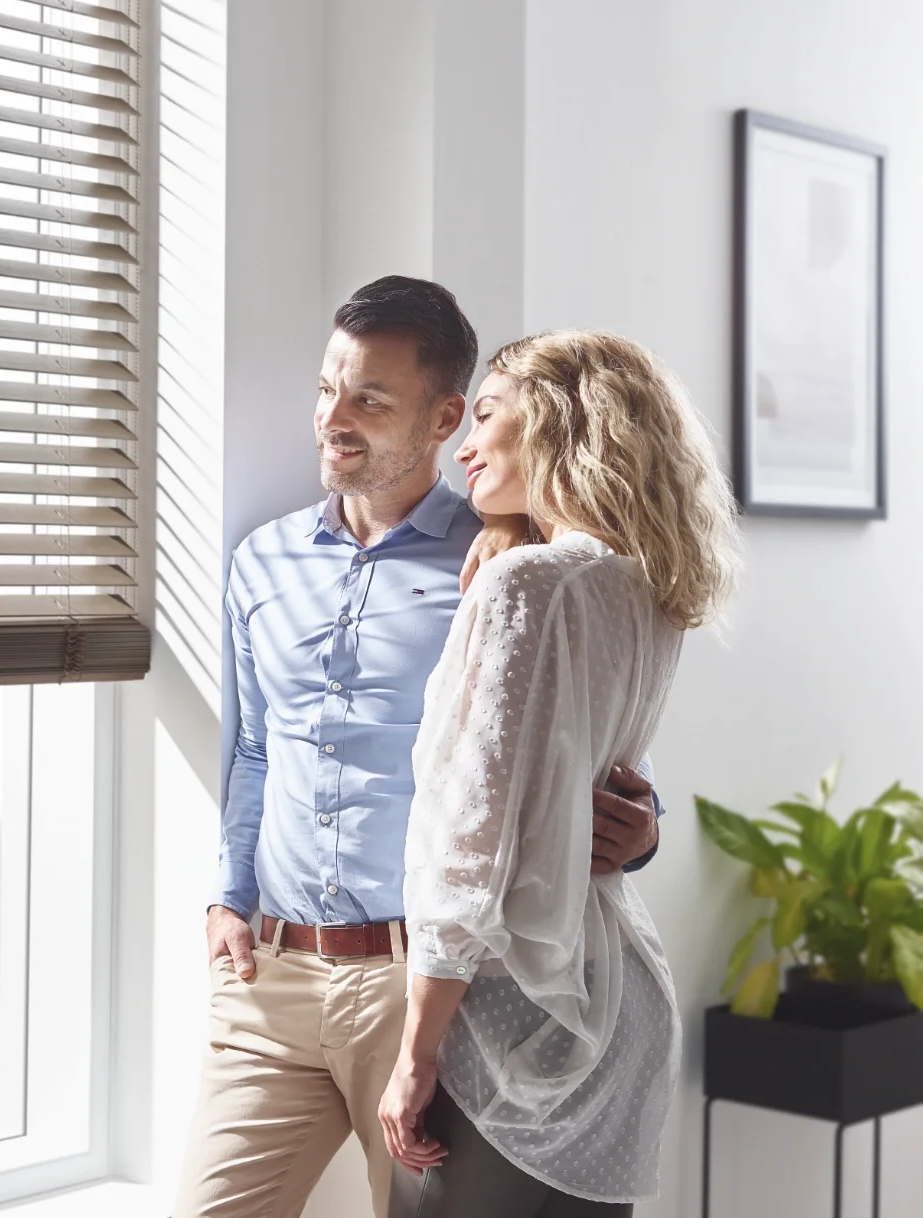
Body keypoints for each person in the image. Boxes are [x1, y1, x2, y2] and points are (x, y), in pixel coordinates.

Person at [175, 278, 664, 1218]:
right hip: (268, 983)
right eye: (328, 389)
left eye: (369, 399)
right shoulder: (259, 563)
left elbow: (556, 759)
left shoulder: (501, 566)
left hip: (422, 984)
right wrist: (227, 895)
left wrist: (641, 829)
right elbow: (255, 753)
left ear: (446, 416)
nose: (334, 419)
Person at [378, 331, 740, 1216]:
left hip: (512, 1018)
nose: (463, 445)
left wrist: (415, 1055)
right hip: (618, 1001)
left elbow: (471, 847)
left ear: (557, 420)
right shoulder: (650, 588)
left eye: (489, 414)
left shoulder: (528, 588)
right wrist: (511, 522)